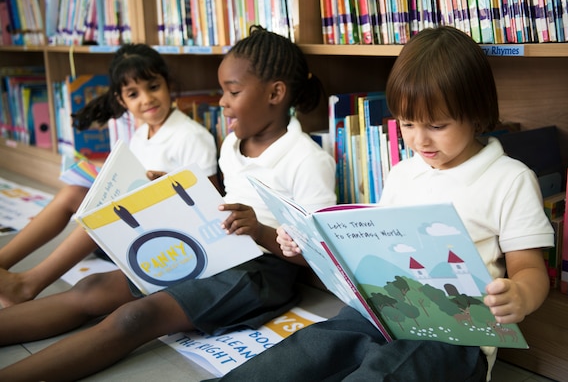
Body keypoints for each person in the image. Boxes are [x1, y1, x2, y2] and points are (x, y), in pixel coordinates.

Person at [212, 26, 555, 382]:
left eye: (437, 125)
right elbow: (372, 249)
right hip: (383, 310)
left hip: (457, 335)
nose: (419, 139)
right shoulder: (402, 173)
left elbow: (529, 268)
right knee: (308, 350)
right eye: (407, 123)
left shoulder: (508, 178)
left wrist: (520, 296)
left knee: (387, 372)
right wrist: (307, 243)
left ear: (476, 113)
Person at [0, 25, 336, 381]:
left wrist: (261, 231)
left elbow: (319, 257)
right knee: (91, 289)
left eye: (232, 91)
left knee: (134, 318)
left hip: (260, 271)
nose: (221, 101)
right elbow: (223, 205)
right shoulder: (231, 146)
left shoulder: (308, 160)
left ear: (276, 93)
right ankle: (23, 290)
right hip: (214, 245)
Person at [0, 43, 219, 307]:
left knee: (108, 211)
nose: (146, 99)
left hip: (168, 235)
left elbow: (211, 204)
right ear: (121, 100)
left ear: (168, 84)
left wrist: (168, 187)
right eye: (133, 94)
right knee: (75, 192)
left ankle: (26, 285)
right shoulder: (141, 135)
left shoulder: (192, 137)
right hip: (135, 224)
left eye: (153, 87)